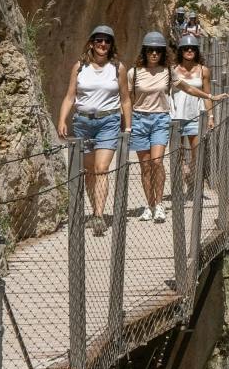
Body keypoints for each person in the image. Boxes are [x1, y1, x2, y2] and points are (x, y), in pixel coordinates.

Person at [56, 24, 129, 236]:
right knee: (88, 171)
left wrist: (129, 125)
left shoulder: (118, 68)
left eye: (107, 41)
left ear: (111, 45)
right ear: (91, 43)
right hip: (83, 123)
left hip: (108, 122)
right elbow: (70, 96)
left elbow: (125, 99)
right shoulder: (79, 67)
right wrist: (62, 120)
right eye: (99, 40)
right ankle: (95, 211)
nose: (103, 44)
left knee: (101, 168)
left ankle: (98, 215)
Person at [128, 31, 175, 222]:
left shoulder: (169, 72)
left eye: (158, 51)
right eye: (150, 50)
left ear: (163, 53)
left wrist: (208, 97)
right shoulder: (135, 72)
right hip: (139, 119)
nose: (154, 54)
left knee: (157, 162)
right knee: (145, 166)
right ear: (145, 52)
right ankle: (149, 205)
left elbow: (186, 87)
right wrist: (126, 122)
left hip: (160, 119)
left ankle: (160, 204)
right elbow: (126, 97)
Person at [169, 32, 225, 186]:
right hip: (175, 116)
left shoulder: (203, 70)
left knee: (196, 151)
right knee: (177, 152)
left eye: (192, 48)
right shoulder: (172, 70)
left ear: (196, 51)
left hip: (195, 116)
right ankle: (183, 171)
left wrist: (211, 117)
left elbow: (207, 95)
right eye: (186, 48)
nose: (189, 51)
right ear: (180, 50)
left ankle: (193, 181)